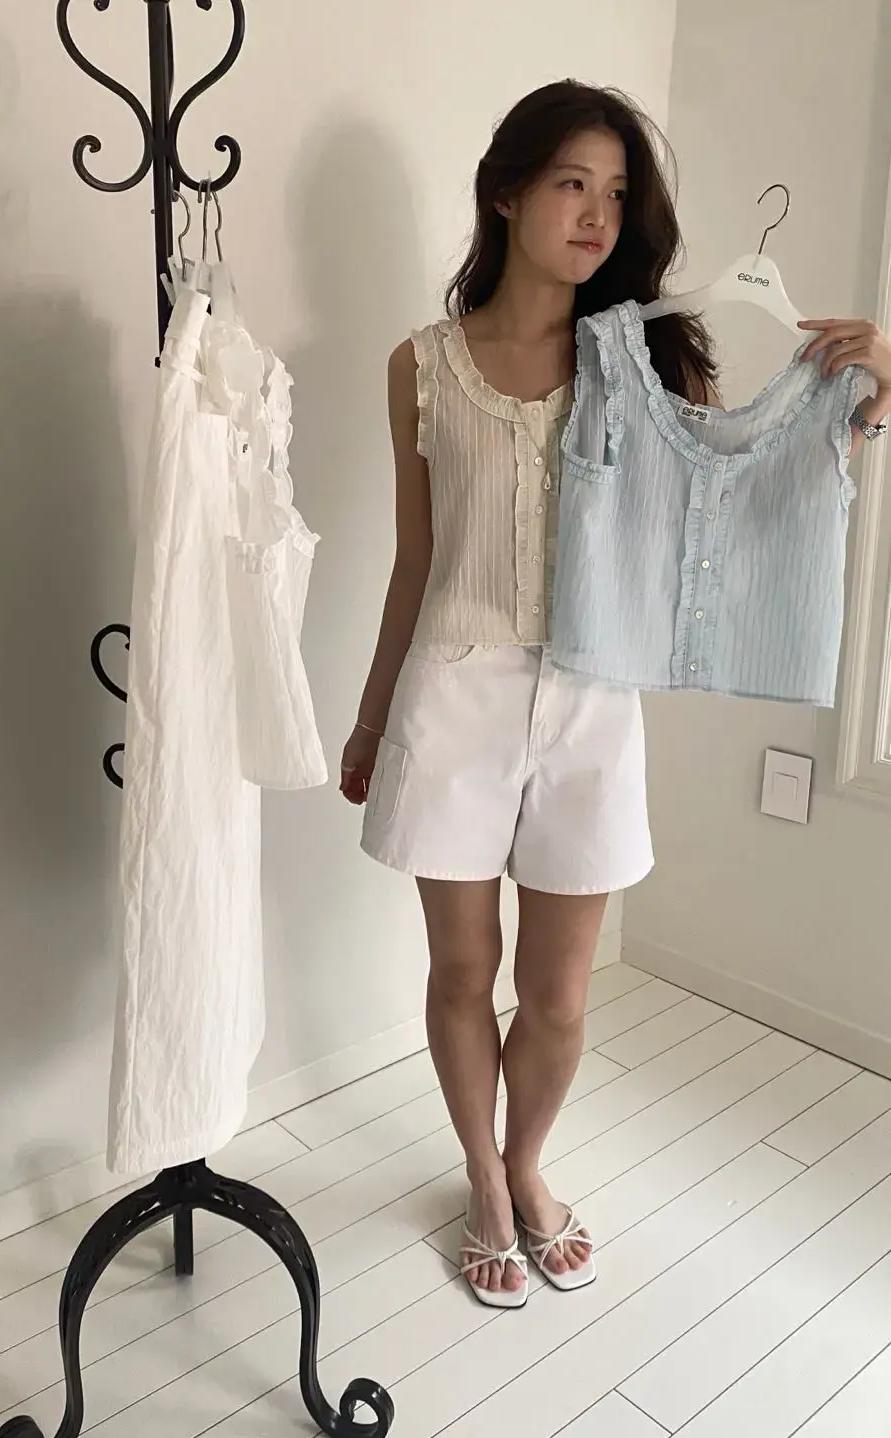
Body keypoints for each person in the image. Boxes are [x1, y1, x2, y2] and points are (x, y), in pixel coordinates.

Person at [340, 79, 891, 1307]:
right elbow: (415, 561)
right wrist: (372, 718)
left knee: (559, 993)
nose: (597, 214)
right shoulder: (421, 366)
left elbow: (741, 498)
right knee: (460, 973)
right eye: (572, 183)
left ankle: (529, 1163)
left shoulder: (643, 359)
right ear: (507, 192)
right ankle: (485, 1182)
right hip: (453, 691)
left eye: (617, 193)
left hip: (594, 702)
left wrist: (865, 411)